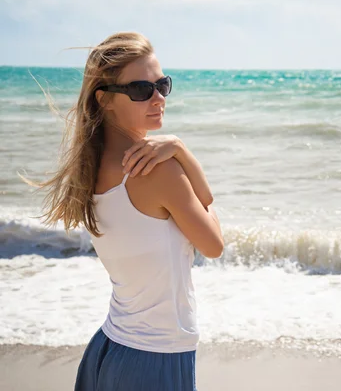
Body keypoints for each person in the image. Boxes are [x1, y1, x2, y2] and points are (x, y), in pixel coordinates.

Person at [24, 31, 224, 390]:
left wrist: (177, 150)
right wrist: (183, 152)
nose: (159, 98)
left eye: (162, 84)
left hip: (109, 351)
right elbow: (214, 245)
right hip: (154, 360)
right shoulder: (158, 170)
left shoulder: (89, 167)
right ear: (105, 100)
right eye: (141, 90)